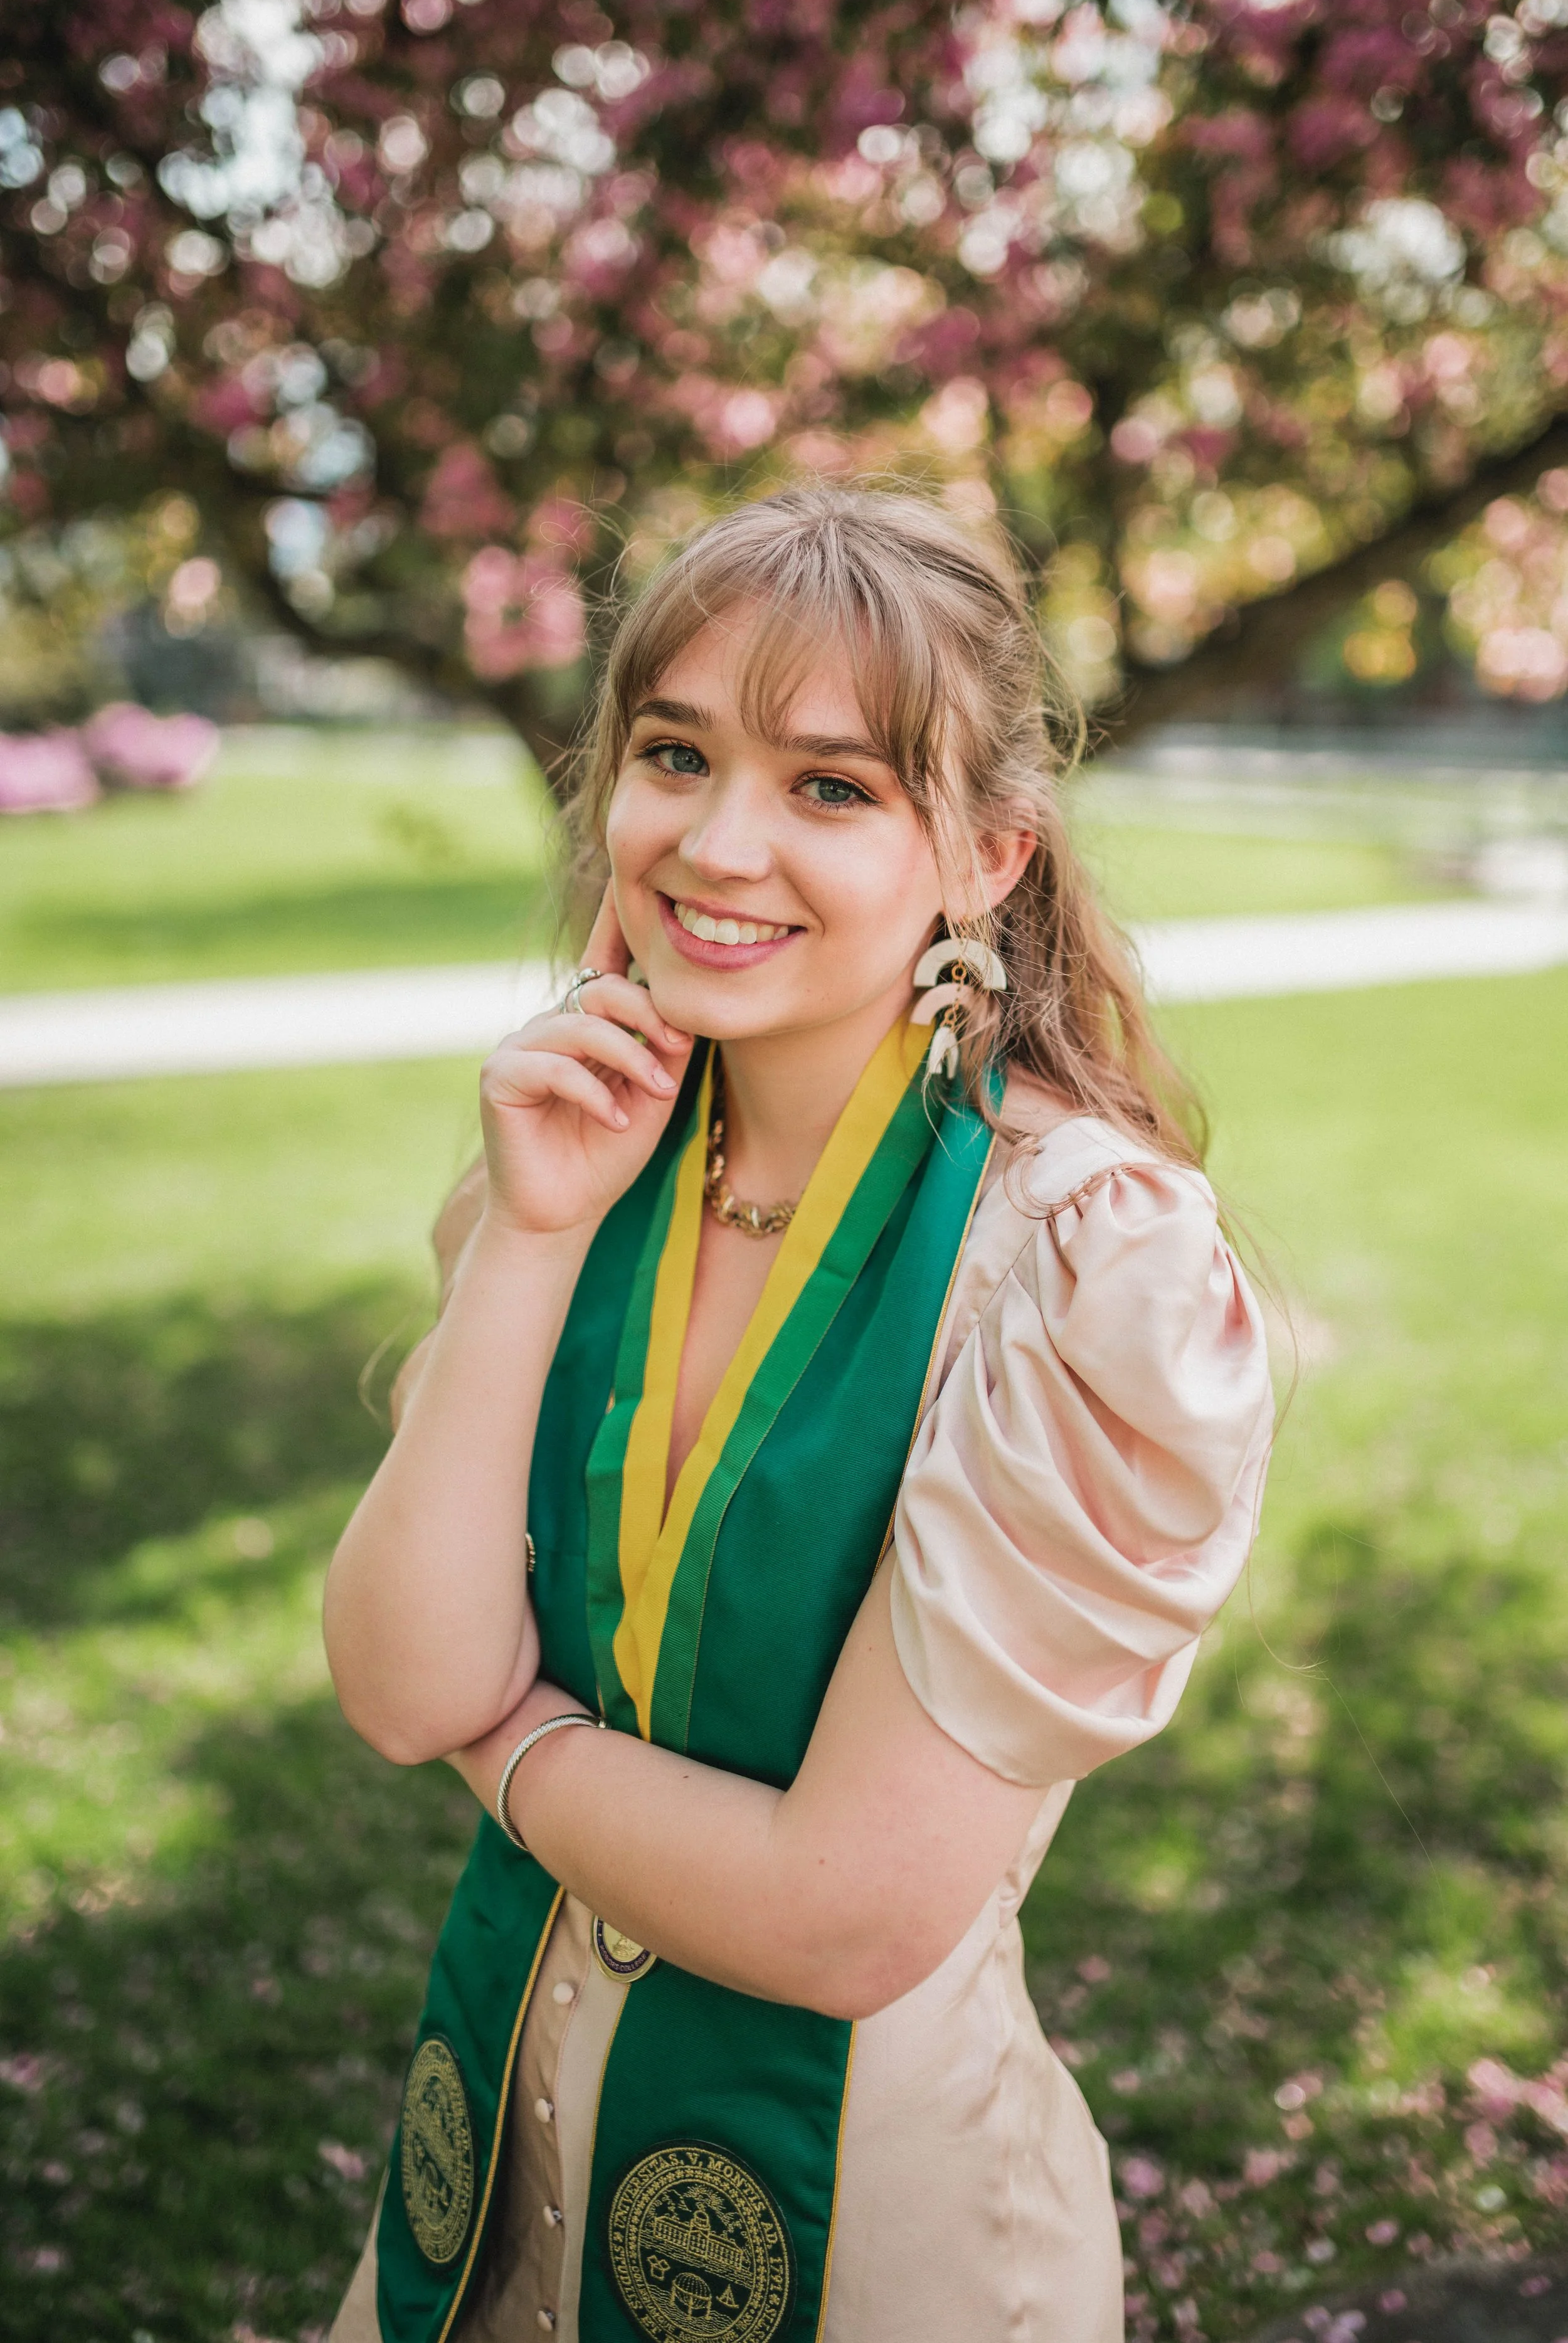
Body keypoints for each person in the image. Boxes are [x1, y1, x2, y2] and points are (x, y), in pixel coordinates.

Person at [322, 484, 1274, 2343]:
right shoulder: (589, 1145)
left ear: (987, 853)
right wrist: (528, 1234)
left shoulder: (1076, 1266)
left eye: (829, 787)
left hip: (867, 2252)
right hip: (478, 2215)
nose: (717, 841)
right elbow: (388, 1673)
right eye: (675, 752)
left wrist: (503, 1749)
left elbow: (842, 1909)